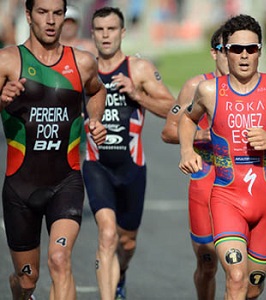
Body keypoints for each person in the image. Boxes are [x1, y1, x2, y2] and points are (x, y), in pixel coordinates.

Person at [179, 14, 266, 299]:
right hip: (226, 198)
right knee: (235, 276)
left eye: (251, 49)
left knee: (252, 286)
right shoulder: (209, 91)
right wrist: (187, 150)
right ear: (225, 52)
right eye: (236, 50)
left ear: (260, 50)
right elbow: (187, 120)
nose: (244, 56)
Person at [0, 0, 107, 299]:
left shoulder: (83, 62)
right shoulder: (8, 61)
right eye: (42, 12)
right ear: (28, 14)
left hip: (66, 181)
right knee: (27, 281)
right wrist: (1, 100)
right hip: (20, 186)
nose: (50, 20)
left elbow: (98, 90)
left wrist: (94, 119)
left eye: (57, 13)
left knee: (60, 260)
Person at [83, 6, 175, 300]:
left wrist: (136, 94)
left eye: (111, 29)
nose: (105, 35)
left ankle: (120, 274)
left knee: (127, 242)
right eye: (100, 29)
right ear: (93, 33)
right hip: (97, 165)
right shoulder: (84, 69)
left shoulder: (139, 69)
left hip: (132, 167)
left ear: (122, 32)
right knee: (107, 234)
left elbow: (174, 110)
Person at [161, 25, 228, 300]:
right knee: (208, 263)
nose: (235, 56)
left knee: (245, 272)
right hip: (206, 178)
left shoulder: (260, 88)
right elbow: (168, 131)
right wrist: (203, 135)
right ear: (214, 53)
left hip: (246, 180)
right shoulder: (195, 86)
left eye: (243, 48)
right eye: (228, 50)